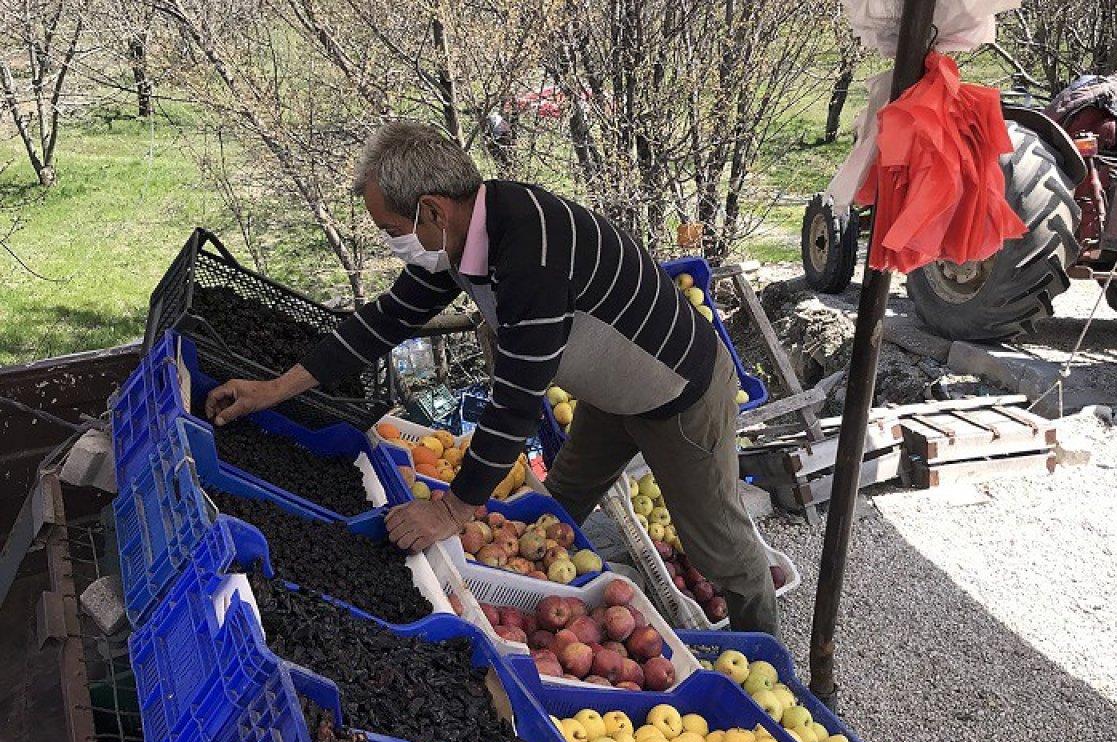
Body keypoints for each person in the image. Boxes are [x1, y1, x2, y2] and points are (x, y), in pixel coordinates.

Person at [205, 121, 778, 634]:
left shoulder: (530, 254)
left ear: (431, 209)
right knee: (562, 503)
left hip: (678, 394)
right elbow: (384, 321)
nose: (390, 241)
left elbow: (516, 402)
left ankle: (770, 657)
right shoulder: (464, 234)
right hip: (613, 394)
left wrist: (452, 511)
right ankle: (544, 608)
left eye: (389, 227)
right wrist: (272, 390)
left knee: (717, 546)